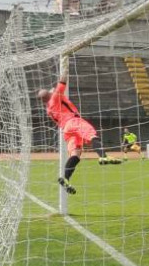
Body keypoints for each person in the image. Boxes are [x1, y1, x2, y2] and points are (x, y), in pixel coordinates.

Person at [38, 62, 121, 195]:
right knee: (92, 134)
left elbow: (54, 93)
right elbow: (62, 81)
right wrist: (65, 66)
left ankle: (65, 178)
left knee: (75, 155)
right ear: (49, 95)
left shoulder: (48, 109)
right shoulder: (54, 98)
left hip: (66, 130)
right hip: (73, 121)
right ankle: (103, 157)